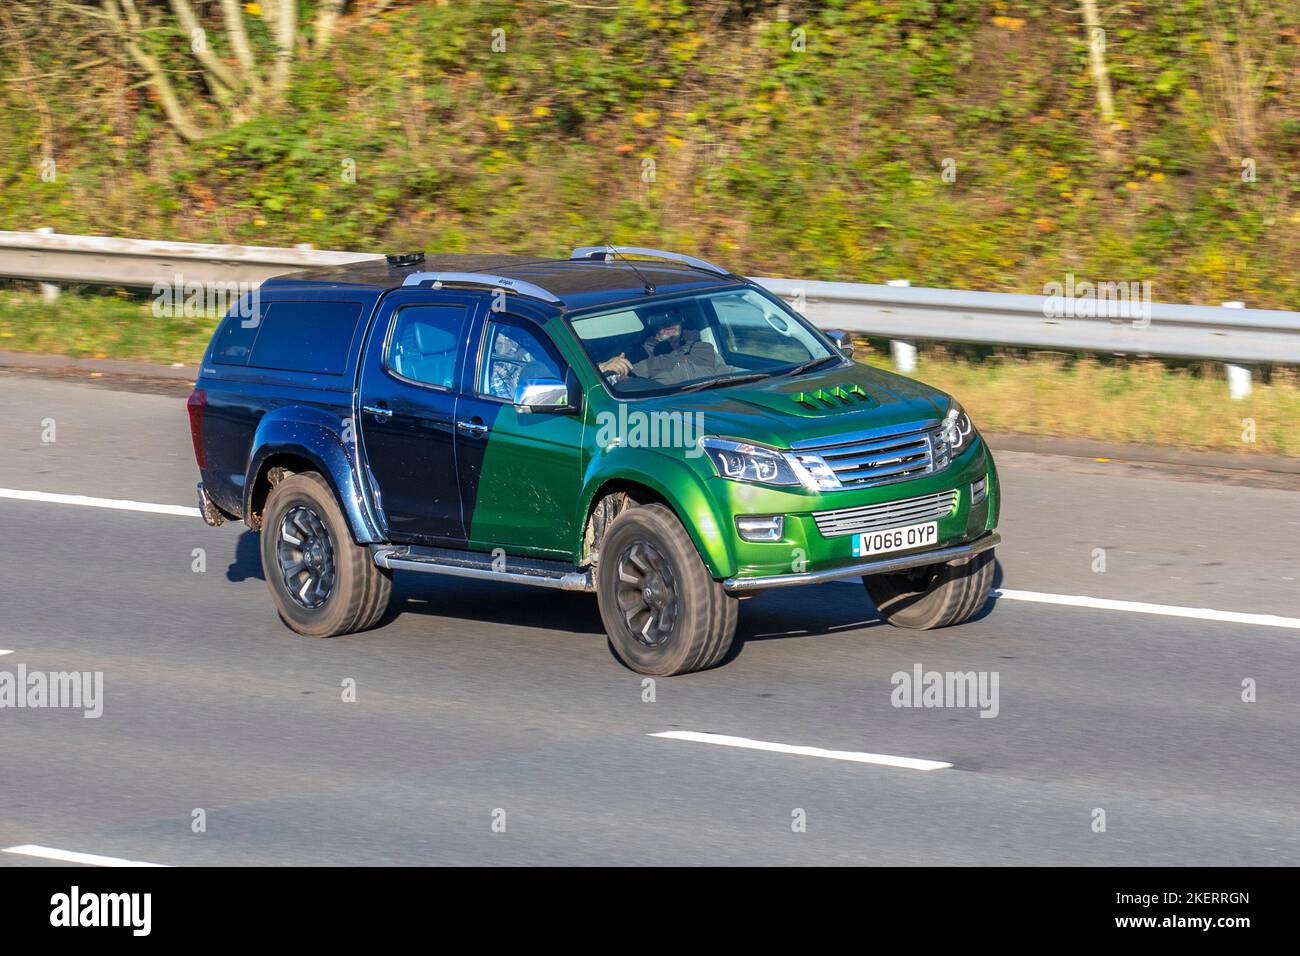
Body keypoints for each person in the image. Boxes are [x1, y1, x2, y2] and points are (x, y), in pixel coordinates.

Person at [598, 307, 741, 386]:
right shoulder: (637, 357)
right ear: (650, 325)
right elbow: (609, 382)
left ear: (682, 320)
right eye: (660, 319)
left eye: (673, 316)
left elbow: (730, 379)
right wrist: (602, 368)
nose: (668, 324)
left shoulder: (703, 348)